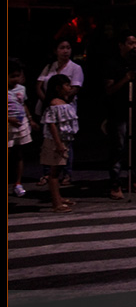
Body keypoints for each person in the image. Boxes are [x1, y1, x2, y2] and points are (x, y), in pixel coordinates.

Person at [104, 31, 136, 199]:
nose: (134, 46)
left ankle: (135, 179)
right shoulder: (112, 64)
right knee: (118, 147)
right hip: (119, 110)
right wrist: (125, 79)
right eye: (130, 43)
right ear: (121, 45)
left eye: (135, 43)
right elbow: (109, 89)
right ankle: (115, 182)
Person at [35, 39, 84, 186]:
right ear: (55, 50)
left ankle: (66, 173)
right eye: (62, 48)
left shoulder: (75, 68)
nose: (66, 51)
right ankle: (47, 173)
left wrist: (59, 102)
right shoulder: (50, 66)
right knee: (48, 140)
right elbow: (39, 86)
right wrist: (49, 101)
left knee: (65, 142)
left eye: (68, 48)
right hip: (49, 108)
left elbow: (75, 88)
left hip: (64, 110)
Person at [40, 75, 78, 212]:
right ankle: (56, 203)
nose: (69, 88)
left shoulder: (64, 102)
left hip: (64, 140)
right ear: (58, 88)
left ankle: (59, 197)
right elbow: (52, 125)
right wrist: (58, 143)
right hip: (56, 142)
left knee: (60, 169)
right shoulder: (55, 104)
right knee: (54, 173)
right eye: (66, 85)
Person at [8, 58, 36, 198]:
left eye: (17, 76)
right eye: (11, 76)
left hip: (19, 124)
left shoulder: (21, 89)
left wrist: (30, 120)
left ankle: (18, 183)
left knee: (19, 154)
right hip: (8, 125)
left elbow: (23, 104)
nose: (15, 79)